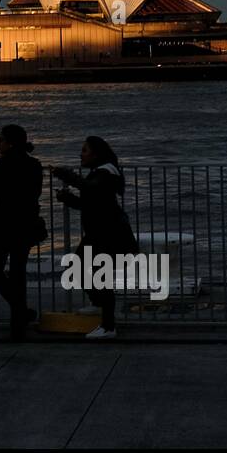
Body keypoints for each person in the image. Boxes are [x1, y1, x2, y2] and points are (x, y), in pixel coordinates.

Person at [54, 136, 138, 339]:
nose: (80, 154)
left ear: (96, 154)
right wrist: (68, 198)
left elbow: (91, 189)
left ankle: (108, 327)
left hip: (109, 233)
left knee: (102, 278)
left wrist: (69, 175)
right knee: (77, 270)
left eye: (84, 150)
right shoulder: (98, 173)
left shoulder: (107, 172)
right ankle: (98, 304)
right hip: (97, 233)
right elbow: (91, 203)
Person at [0, 125, 45, 340]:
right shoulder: (34, 166)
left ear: (9, 143)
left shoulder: (1, 165)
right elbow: (35, 192)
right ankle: (19, 321)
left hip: (2, 224)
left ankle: (21, 312)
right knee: (18, 273)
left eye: (0, 140)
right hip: (25, 224)